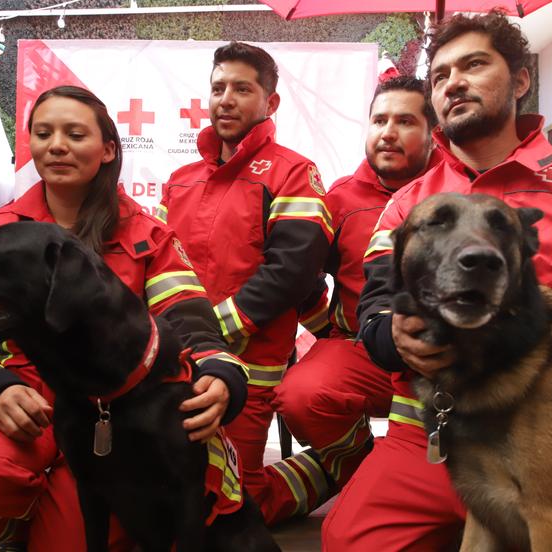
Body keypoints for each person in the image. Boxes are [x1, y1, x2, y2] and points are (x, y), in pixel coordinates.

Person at [323, 11, 552, 550]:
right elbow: (375, 307)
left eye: (474, 65)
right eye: (442, 75)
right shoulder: (407, 204)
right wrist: (392, 336)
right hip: (430, 432)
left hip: (550, 425)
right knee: (348, 541)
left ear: (520, 79)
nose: (455, 83)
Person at [0, 85, 249, 552]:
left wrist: (221, 374)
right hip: (28, 402)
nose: (56, 145)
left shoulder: (147, 236)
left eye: (75, 134)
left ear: (108, 150)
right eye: (43, 134)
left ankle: (53, 516)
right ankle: (15, 526)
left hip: (115, 414)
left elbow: (188, 321)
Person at [158, 42, 333, 525]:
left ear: (270, 102)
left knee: (236, 506)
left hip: (249, 363)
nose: (226, 99)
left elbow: (293, 270)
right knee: (170, 487)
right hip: (174, 358)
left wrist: (214, 330)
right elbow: (153, 268)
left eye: (242, 88)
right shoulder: (178, 180)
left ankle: (332, 467)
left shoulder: (294, 172)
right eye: (218, 88)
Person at [272, 75, 437, 495]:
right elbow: (301, 276)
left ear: (434, 133)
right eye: (379, 120)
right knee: (302, 395)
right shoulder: (339, 199)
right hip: (363, 353)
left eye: (405, 121)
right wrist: (327, 331)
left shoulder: (461, 186)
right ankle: (360, 469)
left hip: (446, 360)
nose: (388, 133)